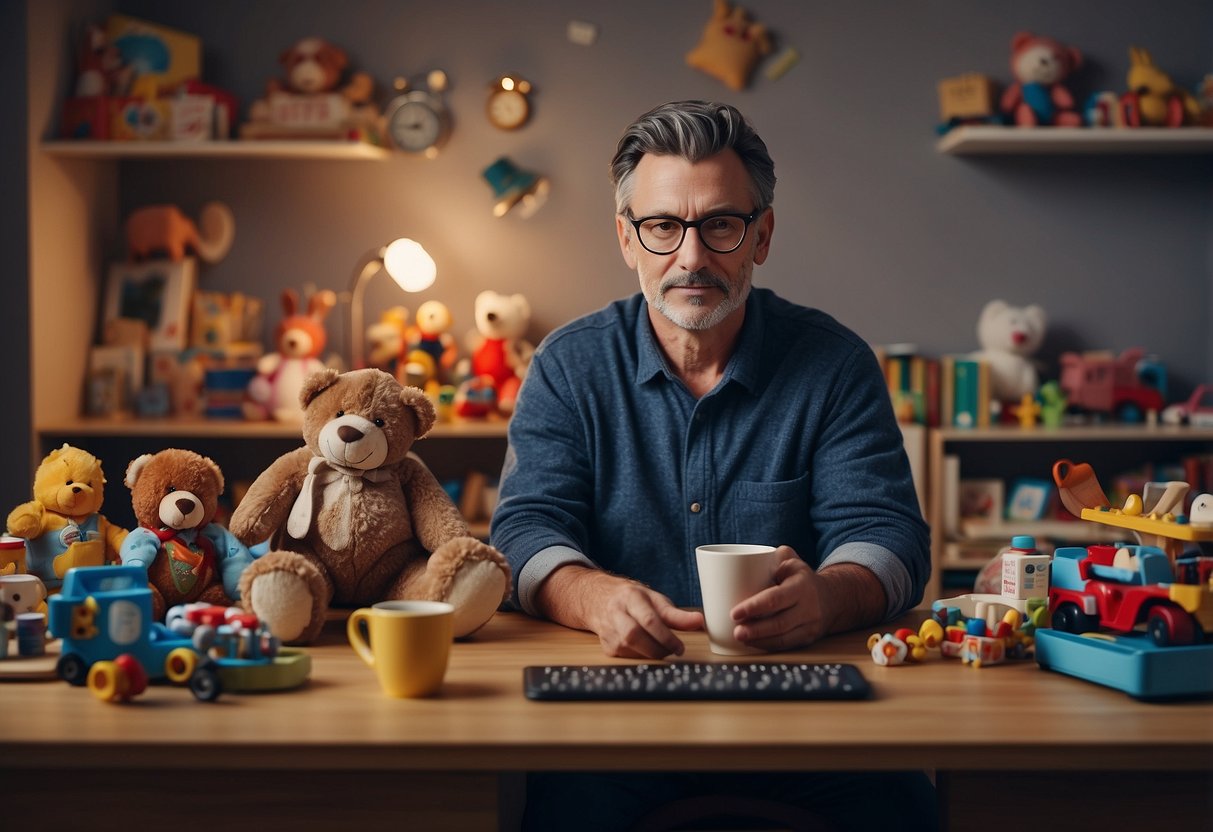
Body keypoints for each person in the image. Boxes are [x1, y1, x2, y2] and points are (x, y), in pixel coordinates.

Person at [491, 100, 937, 831]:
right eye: (662, 227)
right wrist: (592, 596)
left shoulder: (834, 365)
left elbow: (887, 537)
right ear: (626, 240)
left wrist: (825, 597)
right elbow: (524, 529)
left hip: (810, 716)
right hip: (612, 718)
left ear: (760, 236)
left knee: (908, 813)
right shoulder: (568, 365)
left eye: (719, 225)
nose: (690, 258)